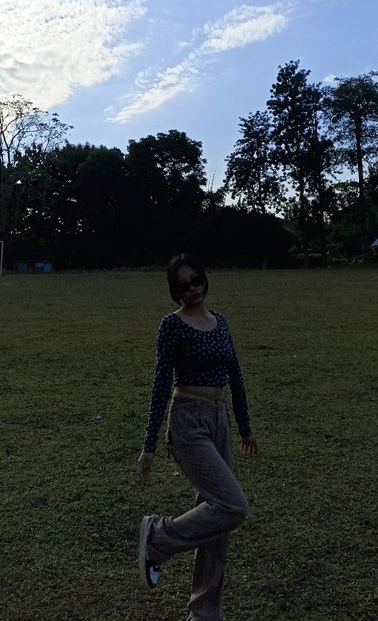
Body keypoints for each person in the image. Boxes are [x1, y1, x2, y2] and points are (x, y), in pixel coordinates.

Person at [136, 252, 257, 621]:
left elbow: (234, 374)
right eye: (183, 286)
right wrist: (149, 444)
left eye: (197, 280)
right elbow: (160, 384)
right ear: (175, 292)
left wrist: (245, 427)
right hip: (188, 420)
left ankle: (204, 612)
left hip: (219, 418)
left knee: (216, 526)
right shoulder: (171, 326)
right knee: (232, 506)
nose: (193, 289)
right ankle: (157, 536)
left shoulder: (220, 323)